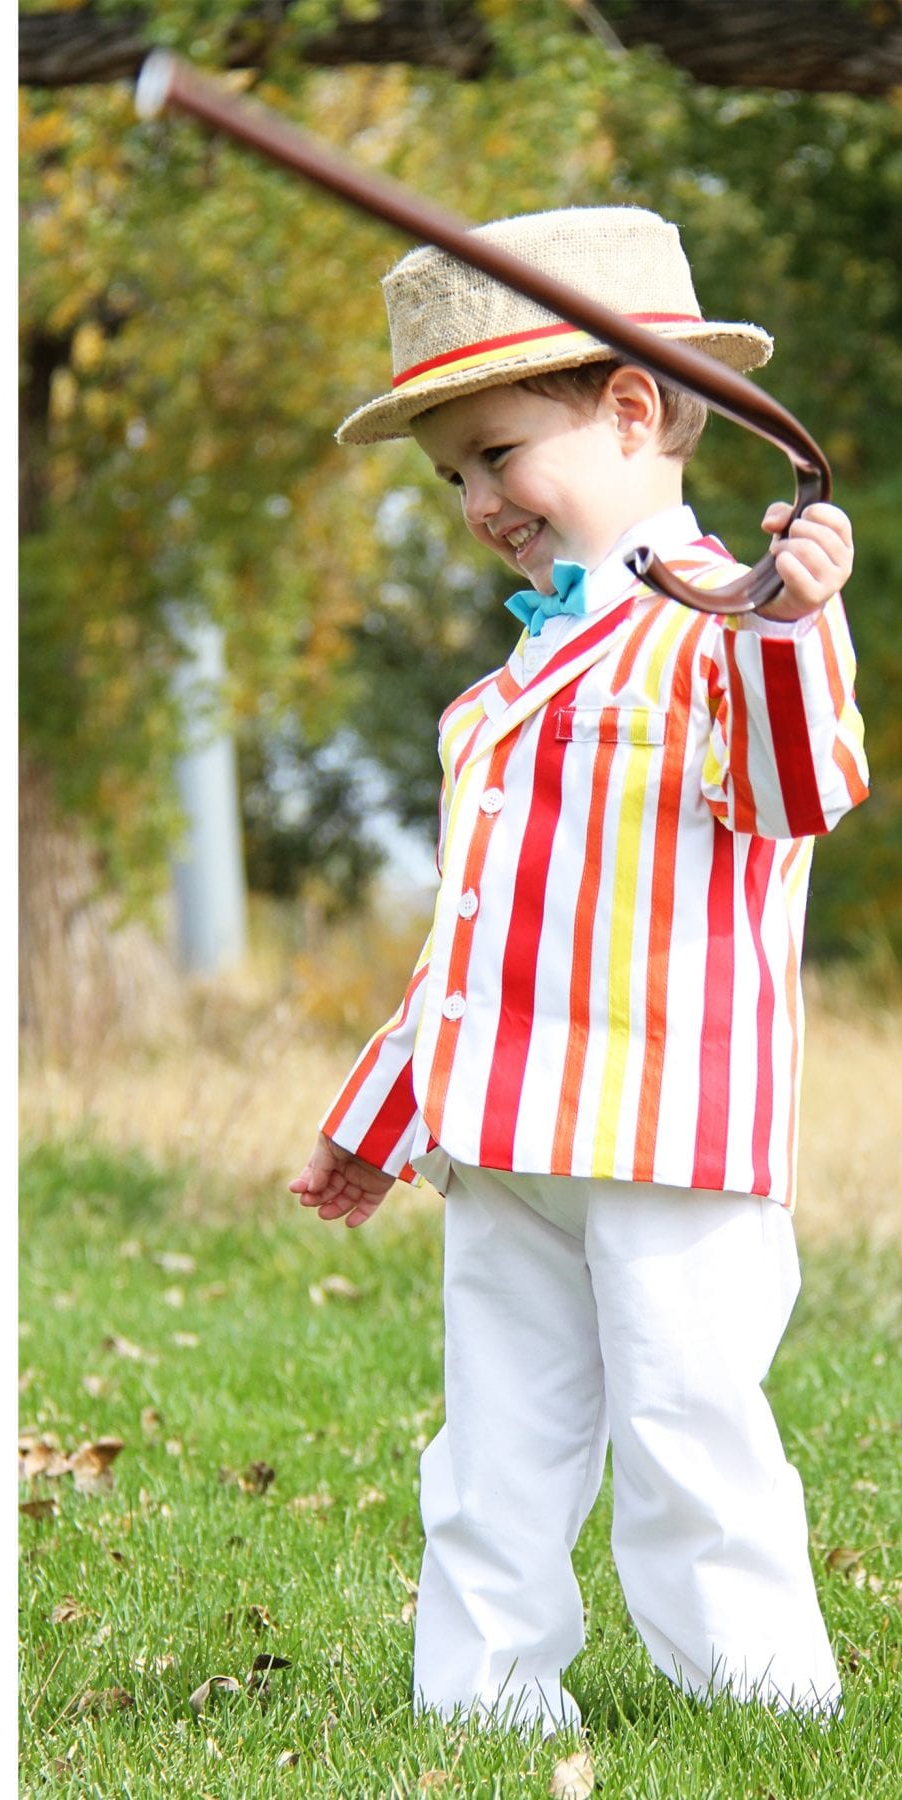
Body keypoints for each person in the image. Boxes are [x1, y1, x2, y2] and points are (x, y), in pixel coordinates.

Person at [288, 206, 865, 1733]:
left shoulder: (737, 630)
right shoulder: (494, 700)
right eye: (453, 476)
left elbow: (799, 790)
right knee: (496, 1433)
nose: (477, 500)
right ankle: (484, 1700)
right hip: (504, 1136)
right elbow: (472, 939)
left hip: (670, 1132)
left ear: (627, 408)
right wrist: (378, 1109)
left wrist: (797, 623)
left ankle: (755, 1699)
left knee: (688, 1422)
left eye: (495, 454)